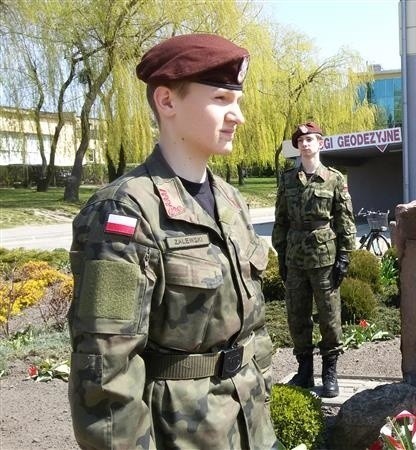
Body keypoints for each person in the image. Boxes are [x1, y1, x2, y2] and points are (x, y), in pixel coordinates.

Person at [68, 34, 277, 448]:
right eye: (221, 98)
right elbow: (106, 370)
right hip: (182, 433)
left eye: (237, 100)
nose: (238, 116)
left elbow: (251, 327)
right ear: (167, 102)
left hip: (251, 424)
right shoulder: (125, 212)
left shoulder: (230, 201)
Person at [272, 122, 357, 398]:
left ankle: (330, 373)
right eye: (301, 141)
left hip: (325, 258)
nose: (305, 144)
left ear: (321, 143)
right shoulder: (287, 180)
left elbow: (345, 220)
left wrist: (345, 254)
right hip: (295, 257)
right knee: (297, 316)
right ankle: (305, 372)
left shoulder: (334, 179)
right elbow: (281, 221)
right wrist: (281, 256)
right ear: (297, 146)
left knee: (330, 317)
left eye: (310, 139)